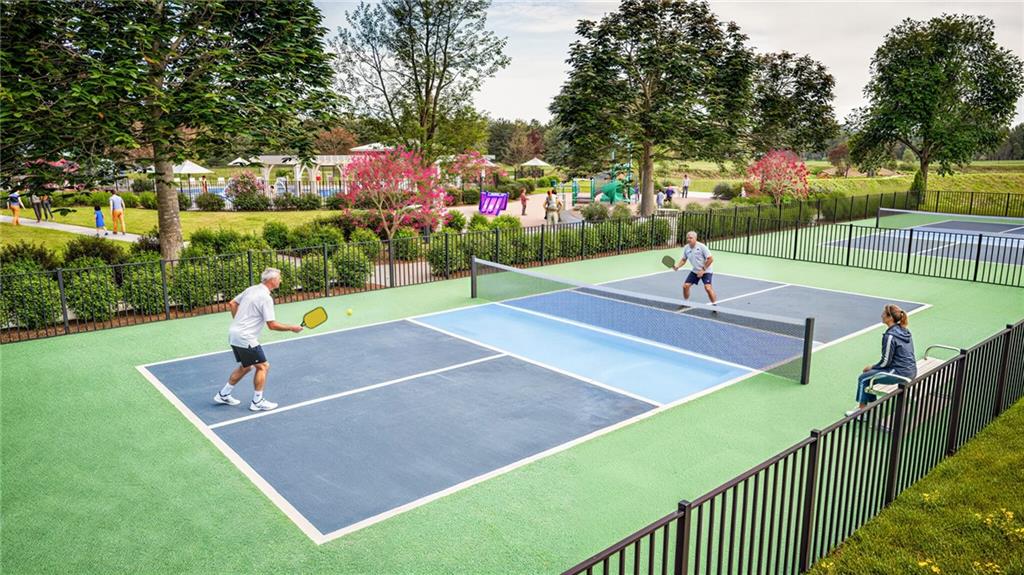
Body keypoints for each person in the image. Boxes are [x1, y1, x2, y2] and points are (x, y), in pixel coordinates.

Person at [215, 268, 303, 411]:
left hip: (234, 334)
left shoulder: (251, 289)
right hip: (246, 337)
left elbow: (232, 303)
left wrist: (239, 322)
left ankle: (223, 394)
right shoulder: (265, 298)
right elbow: (272, 325)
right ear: (272, 280)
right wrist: (292, 328)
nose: (280, 280)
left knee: (246, 366)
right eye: (279, 278)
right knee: (263, 366)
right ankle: (257, 401)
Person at [847, 305, 916, 417]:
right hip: (911, 370)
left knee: (863, 378)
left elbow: (885, 361)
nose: (881, 315)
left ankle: (862, 411)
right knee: (870, 376)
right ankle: (870, 407)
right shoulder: (904, 330)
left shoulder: (890, 336)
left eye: (884, 313)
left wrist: (872, 367)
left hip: (899, 373)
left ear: (890, 318)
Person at [672, 231, 717, 304]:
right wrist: (677, 266)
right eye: (687, 238)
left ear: (695, 238)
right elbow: (684, 259)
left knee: (708, 288)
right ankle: (686, 302)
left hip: (706, 270)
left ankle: (714, 305)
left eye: (691, 238)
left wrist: (703, 270)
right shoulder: (686, 248)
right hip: (695, 270)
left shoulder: (702, 247)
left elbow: (710, 259)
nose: (689, 239)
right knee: (685, 286)